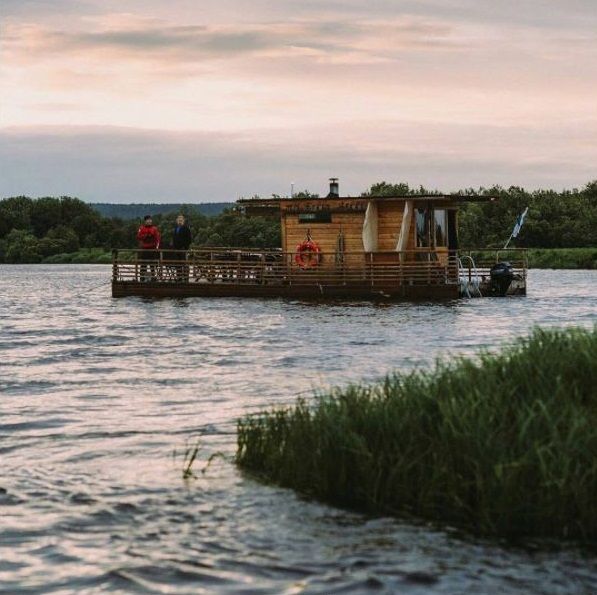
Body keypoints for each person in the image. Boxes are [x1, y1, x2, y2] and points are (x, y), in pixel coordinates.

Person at [136, 215, 160, 281]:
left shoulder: (154, 228)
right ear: (145, 221)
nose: (149, 221)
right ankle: (142, 277)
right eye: (148, 220)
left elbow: (158, 239)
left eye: (150, 220)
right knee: (143, 264)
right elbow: (138, 237)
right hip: (144, 248)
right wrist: (146, 236)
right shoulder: (141, 228)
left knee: (152, 264)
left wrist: (157, 247)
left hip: (152, 249)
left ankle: (153, 277)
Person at [170, 214, 192, 281]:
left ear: (183, 221)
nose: (180, 221)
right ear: (176, 221)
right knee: (177, 264)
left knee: (184, 264)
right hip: (176, 249)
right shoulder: (176, 229)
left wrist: (185, 247)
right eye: (179, 220)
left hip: (183, 249)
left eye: (181, 220)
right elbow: (174, 238)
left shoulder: (186, 229)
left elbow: (189, 239)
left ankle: (185, 278)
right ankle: (179, 277)